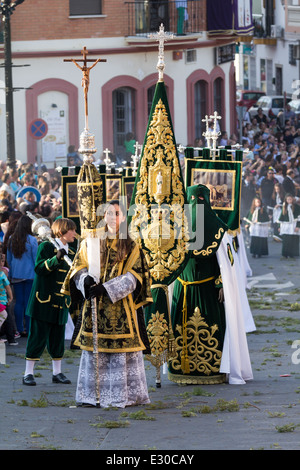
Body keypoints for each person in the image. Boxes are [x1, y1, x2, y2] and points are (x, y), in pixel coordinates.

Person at [65, 200, 152, 408]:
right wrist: (84, 279)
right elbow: (77, 267)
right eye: (109, 214)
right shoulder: (91, 240)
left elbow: (136, 276)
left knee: (121, 354)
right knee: (96, 353)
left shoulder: (131, 245)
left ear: (123, 217)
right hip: (94, 307)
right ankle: (91, 396)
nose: (113, 218)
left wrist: (107, 288)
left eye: (117, 214)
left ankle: (121, 396)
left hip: (121, 309)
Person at [169, 184, 228, 385]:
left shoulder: (177, 224)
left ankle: (195, 369)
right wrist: (220, 284)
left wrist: (220, 284)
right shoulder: (218, 226)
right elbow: (225, 263)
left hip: (190, 288)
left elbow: (224, 262)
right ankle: (194, 369)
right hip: (201, 289)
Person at [22, 217, 77, 386]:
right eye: (72, 230)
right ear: (61, 231)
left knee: (57, 339)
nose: (74, 233)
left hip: (61, 301)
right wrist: (56, 259)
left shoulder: (73, 251)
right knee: (37, 337)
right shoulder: (46, 246)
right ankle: (28, 373)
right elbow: (39, 268)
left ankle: (57, 372)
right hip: (43, 300)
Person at [6, 215, 38, 337]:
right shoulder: (32, 240)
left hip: (16, 274)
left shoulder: (11, 238)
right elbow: (36, 259)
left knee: (19, 302)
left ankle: (19, 329)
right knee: (29, 302)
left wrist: (12, 272)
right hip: (30, 274)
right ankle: (29, 329)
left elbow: (9, 258)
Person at [278, 194, 300, 258]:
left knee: (292, 240)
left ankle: (291, 254)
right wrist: (279, 226)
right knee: (285, 240)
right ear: (286, 200)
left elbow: (299, 218)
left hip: (293, 225)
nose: (289, 200)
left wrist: (298, 226)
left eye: (290, 199)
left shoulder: (296, 207)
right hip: (285, 225)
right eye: (288, 199)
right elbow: (281, 217)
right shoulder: (284, 207)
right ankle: (285, 253)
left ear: (293, 199)